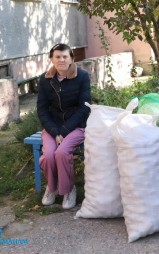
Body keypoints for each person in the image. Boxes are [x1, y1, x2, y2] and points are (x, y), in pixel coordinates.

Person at [37, 43, 91, 209]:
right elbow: (42, 109)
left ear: (72, 58)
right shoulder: (45, 79)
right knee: (48, 156)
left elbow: (84, 107)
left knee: (61, 153)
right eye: (57, 57)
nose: (61, 60)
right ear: (52, 59)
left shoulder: (82, 76)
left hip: (76, 126)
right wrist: (54, 131)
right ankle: (52, 188)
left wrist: (64, 130)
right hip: (52, 128)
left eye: (65, 56)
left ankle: (68, 189)